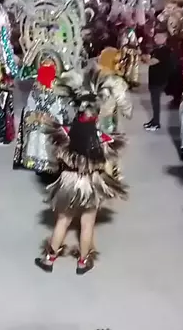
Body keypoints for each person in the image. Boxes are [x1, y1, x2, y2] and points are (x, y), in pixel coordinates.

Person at [34, 68, 130, 275]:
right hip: (90, 183)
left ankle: (49, 259)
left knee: (63, 220)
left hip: (68, 181)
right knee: (87, 224)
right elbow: (109, 158)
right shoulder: (102, 139)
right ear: (97, 112)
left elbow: (58, 153)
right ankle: (83, 262)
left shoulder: (65, 132)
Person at [144, 23, 176, 132]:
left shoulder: (164, 50)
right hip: (154, 80)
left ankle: (156, 123)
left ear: (164, 38)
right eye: (155, 36)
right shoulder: (157, 49)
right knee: (154, 103)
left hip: (159, 80)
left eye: (158, 37)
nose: (155, 38)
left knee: (156, 103)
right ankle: (153, 120)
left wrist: (142, 57)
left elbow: (151, 61)